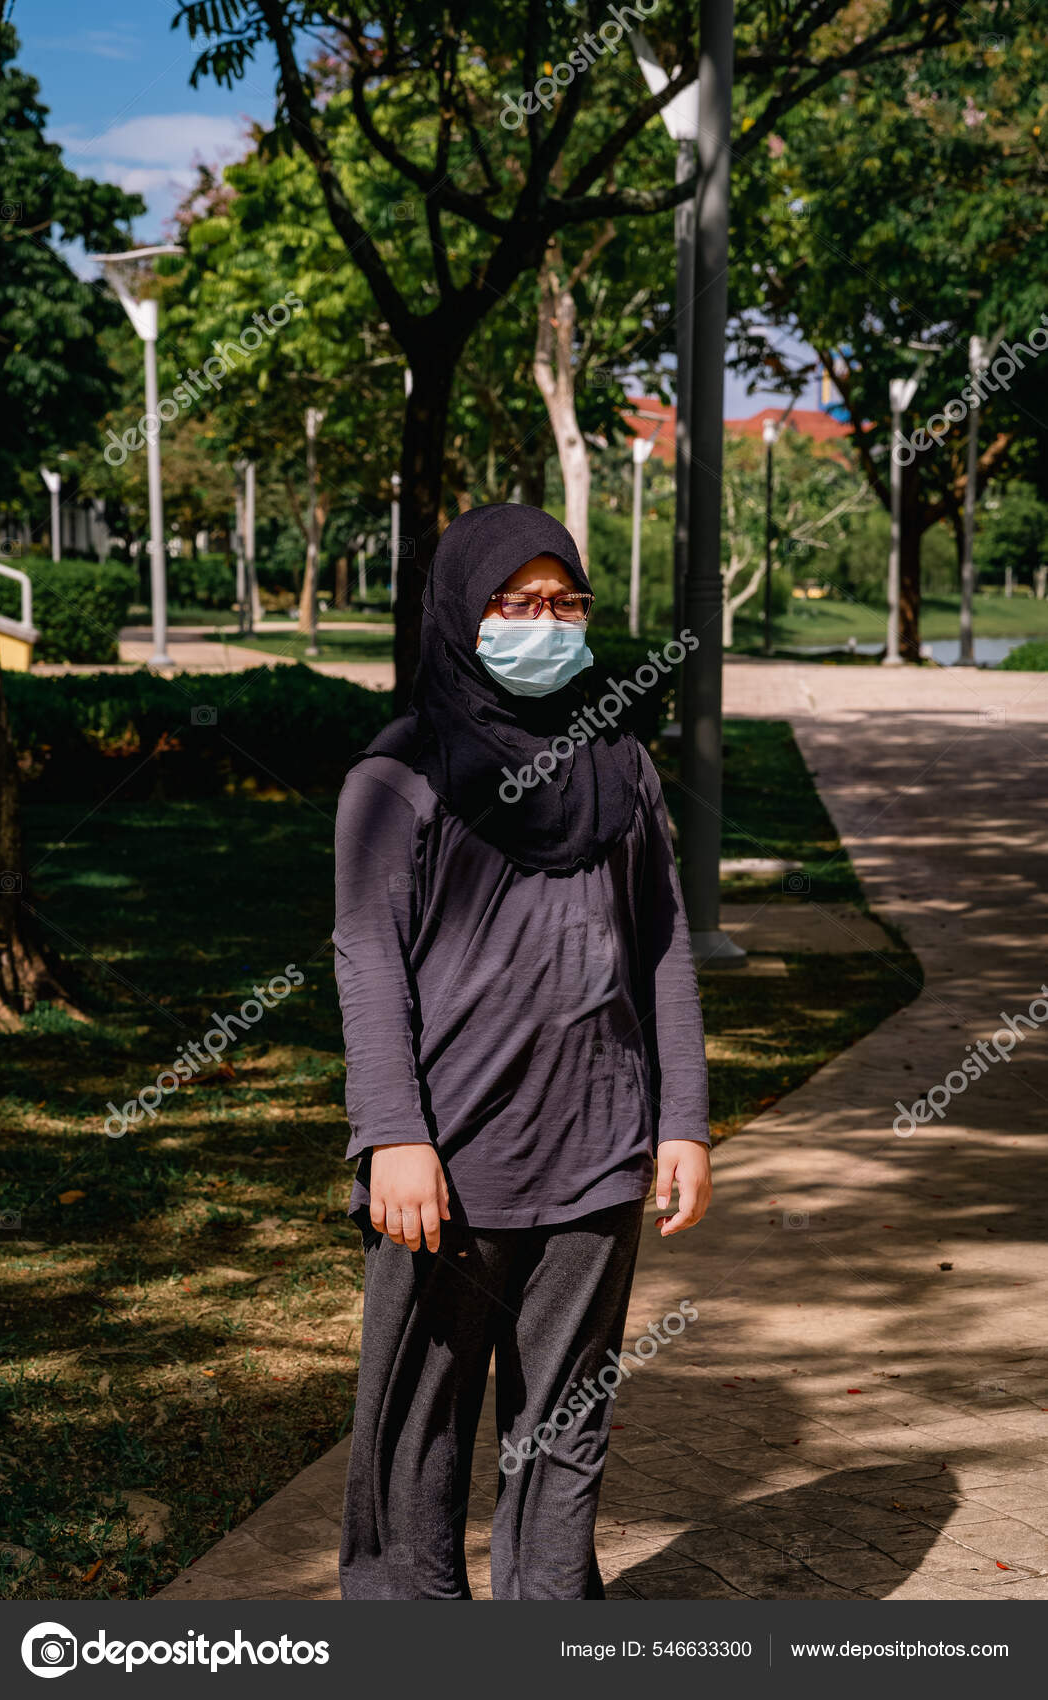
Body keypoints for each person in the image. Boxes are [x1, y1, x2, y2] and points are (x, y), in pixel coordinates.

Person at [332, 503, 711, 1600]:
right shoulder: (398, 775)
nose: (546, 623)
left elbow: (664, 945)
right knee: (419, 1442)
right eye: (519, 603)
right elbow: (365, 957)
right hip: (446, 1171)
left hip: (595, 1154)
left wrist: (680, 1115)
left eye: (566, 604)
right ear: (463, 609)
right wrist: (393, 1133)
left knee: (565, 1433)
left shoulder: (619, 764)